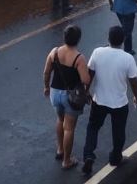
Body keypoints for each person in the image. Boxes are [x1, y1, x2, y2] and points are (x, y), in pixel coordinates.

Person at [81, 26, 137, 175]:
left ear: (108, 38)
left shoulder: (97, 52)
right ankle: (115, 158)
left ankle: (88, 155)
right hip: (119, 103)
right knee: (118, 131)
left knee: (93, 127)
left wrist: (86, 91)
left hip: (99, 100)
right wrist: (136, 97)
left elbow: (90, 75)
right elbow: (133, 80)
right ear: (123, 40)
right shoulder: (128, 58)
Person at [43, 25, 91, 170]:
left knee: (60, 119)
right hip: (70, 96)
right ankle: (66, 160)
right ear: (78, 39)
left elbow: (46, 72)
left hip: (54, 92)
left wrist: (46, 87)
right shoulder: (78, 58)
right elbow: (86, 80)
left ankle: (60, 149)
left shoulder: (54, 52)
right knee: (69, 128)